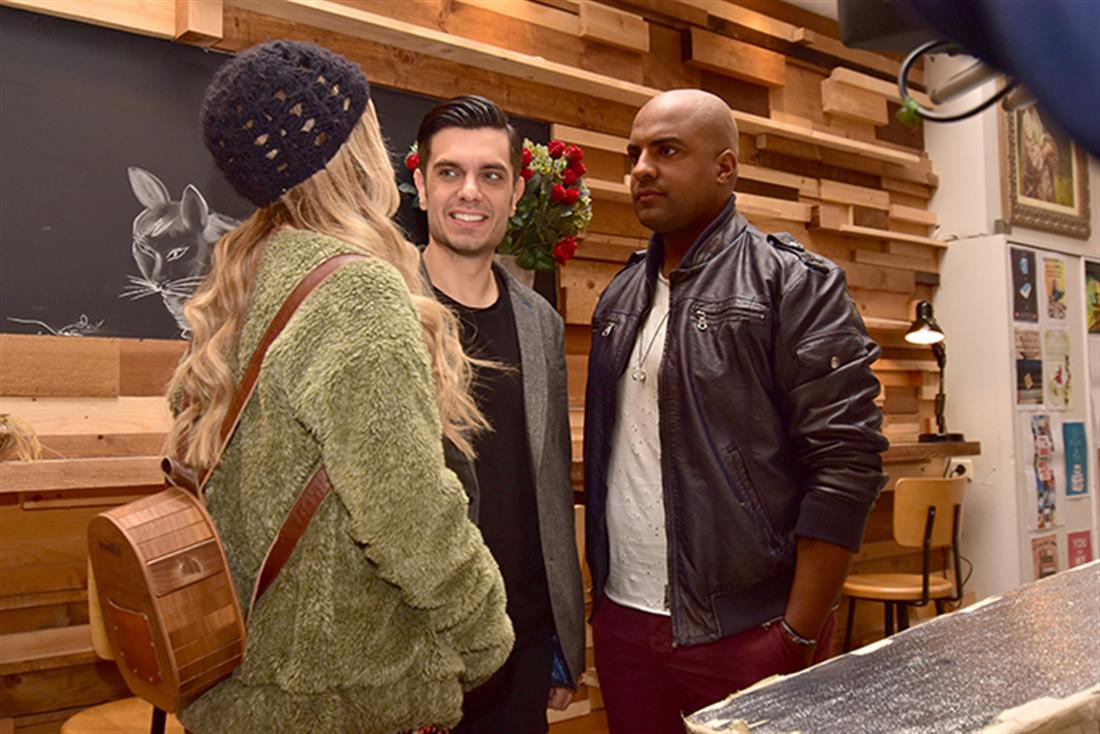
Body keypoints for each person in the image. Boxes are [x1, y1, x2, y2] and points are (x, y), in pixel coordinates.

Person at [169, 41, 513, 734]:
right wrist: (486, 634)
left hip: (241, 690)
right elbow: (406, 510)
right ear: (346, 149)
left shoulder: (244, 275)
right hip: (338, 698)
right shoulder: (356, 290)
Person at [583, 89, 889, 731]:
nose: (642, 169)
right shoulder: (620, 295)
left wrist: (798, 632)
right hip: (624, 619)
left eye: (667, 151)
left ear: (725, 167)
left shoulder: (792, 283)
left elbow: (846, 464)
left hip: (749, 627)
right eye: (634, 154)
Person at [411, 95, 586, 733]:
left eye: (490, 175)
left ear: (515, 194)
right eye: (449, 172)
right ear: (421, 187)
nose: (470, 192)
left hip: (521, 643)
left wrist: (564, 637)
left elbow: (550, 487)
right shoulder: (382, 309)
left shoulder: (541, 322)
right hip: (416, 650)